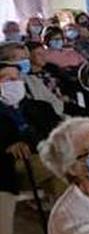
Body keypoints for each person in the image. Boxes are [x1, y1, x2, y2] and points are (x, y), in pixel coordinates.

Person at [0, 59, 61, 194]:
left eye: (17, 79)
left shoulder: (41, 107)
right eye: (8, 80)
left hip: (48, 155)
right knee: (60, 166)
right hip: (13, 164)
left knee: (59, 177)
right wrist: (9, 147)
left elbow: (59, 131)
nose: (15, 83)